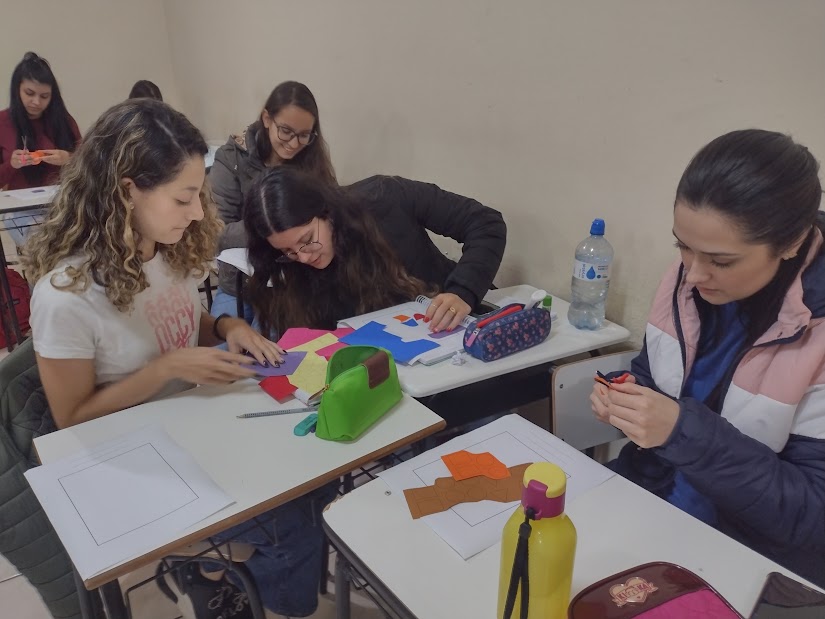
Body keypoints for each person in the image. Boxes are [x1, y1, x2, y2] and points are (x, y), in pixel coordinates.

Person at [25, 98, 335, 617]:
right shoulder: (66, 296)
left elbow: (185, 320)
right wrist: (167, 368)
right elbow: (71, 421)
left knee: (312, 482)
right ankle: (230, 585)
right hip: (130, 460)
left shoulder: (164, 250)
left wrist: (228, 327)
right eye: (184, 198)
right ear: (127, 191)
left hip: (191, 429)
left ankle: (211, 570)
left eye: (199, 195)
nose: (197, 214)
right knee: (293, 527)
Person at [590, 129, 825, 587]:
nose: (693, 273)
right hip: (654, 505)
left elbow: (813, 516)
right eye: (682, 245)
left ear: (792, 243)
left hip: (750, 557)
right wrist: (627, 403)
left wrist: (679, 432)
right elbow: (653, 376)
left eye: (721, 261)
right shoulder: (687, 281)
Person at [244, 166, 507, 342]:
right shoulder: (297, 269)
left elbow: (485, 223)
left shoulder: (386, 198)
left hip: (455, 329)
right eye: (288, 251)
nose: (303, 258)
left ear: (326, 211)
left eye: (307, 240)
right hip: (396, 361)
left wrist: (463, 291)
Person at [209, 81, 335, 323]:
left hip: (294, 282)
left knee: (275, 342)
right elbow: (217, 232)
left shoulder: (313, 162)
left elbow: (331, 215)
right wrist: (271, 225)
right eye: (286, 131)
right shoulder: (232, 158)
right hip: (238, 283)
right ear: (267, 119)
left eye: (304, 135)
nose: (294, 143)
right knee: (223, 338)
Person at [0, 52, 81, 246]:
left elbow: (91, 164)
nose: (36, 102)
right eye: (29, 93)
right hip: (20, 210)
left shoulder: (63, 121)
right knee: (44, 246)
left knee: (77, 242)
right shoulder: (3, 123)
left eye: (44, 96)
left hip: (63, 204)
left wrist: (69, 159)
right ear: (17, 89)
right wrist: (12, 165)